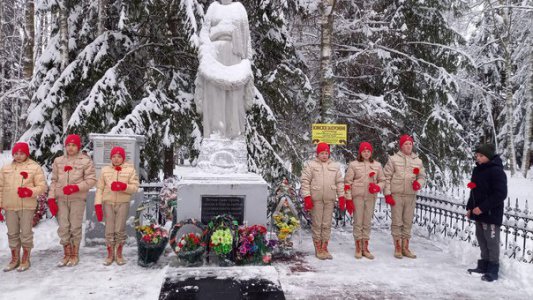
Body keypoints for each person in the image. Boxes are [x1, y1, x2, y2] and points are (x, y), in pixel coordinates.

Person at [195, 0, 254, 139]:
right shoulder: (213, 8)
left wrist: (248, 62)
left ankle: (234, 132)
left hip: (234, 55)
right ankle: (216, 131)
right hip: (214, 55)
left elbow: (247, 38)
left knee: (234, 97)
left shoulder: (239, 9)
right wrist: (205, 52)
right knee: (215, 95)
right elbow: (204, 33)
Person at [48, 134, 96, 267]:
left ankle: (75, 254)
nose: (70, 147)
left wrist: (76, 187)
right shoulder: (58, 161)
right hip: (61, 199)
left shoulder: (85, 161)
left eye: (73, 145)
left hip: (77, 199)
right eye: (68, 145)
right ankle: (66, 253)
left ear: (78, 146)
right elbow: (54, 181)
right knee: (63, 227)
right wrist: (51, 198)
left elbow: (91, 180)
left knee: (75, 226)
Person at [0, 142, 47, 272]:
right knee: (12, 233)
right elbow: (1, 188)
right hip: (10, 207)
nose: (18, 156)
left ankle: (26, 259)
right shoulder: (5, 168)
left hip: (26, 206)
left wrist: (30, 191)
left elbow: (42, 187)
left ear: (26, 153)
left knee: (26, 233)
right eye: (16, 153)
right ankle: (15, 259)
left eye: (21, 153)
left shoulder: (34, 167)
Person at [466, 143, 507, 282]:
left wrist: (483, 207)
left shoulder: (497, 171)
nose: (478, 158)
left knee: (491, 241)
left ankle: (492, 270)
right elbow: (474, 191)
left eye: (481, 156)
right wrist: (469, 207)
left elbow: (500, 194)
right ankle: (483, 265)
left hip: (491, 213)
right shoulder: (477, 170)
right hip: (478, 212)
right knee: (482, 239)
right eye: (477, 155)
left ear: (488, 156)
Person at [95, 146, 139, 265]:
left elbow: (135, 187)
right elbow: (100, 188)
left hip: (122, 203)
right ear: (111, 158)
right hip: (108, 203)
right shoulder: (105, 170)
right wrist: (98, 204)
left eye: (119, 156)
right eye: (114, 156)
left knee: (120, 228)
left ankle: (119, 253)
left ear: (123, 158)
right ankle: (110, 254)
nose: (116, 159)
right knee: (109, 229)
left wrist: (123, 187)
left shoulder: (130, 170)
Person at [383, 134, 426, 259]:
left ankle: (405, 247)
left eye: (410, 144)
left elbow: (422, 176)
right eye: (406, 144)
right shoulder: (393, 159)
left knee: (407, 222)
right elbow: (386, 177)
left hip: (410, 196)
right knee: (397, 222)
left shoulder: (418, 161)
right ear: (401, 146)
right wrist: (387, 194)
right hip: (396, 195)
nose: (408, 146)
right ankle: (397, 247)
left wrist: (419, 183)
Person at [300, 142, 345, 260]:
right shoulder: (310, 165)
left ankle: (325, 247)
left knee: (327, 224)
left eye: (326, 153)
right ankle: (318, 248)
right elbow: (305, 181)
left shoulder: (335, 166)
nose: (324, 155)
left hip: (329, 199)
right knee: (317, 224)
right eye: (322, 153)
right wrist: (307, 197)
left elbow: (339, 182)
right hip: (316, 200)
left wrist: (341, 197)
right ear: (317, 154)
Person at [344, 142, 385, 259]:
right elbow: (347, 182)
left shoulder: (377, 165)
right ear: (360, 153)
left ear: (371, 152)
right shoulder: (354, 165)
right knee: (358, 221)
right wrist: (348, 198)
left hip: (371, 197)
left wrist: (377, 187)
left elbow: (382, 180)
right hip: (357, 197)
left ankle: (365, 248)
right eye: (364, 151)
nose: (366, 153)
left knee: (367, 222)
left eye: (368, 151)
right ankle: (358, 247)